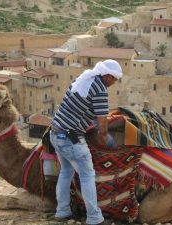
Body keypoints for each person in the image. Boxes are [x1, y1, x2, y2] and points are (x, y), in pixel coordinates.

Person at [49, 59, 123, 225]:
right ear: (109, 77)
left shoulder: (83, 79)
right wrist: (106, 142)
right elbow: (103, 125)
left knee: (66, 172)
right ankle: (94, 218)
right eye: (115, 80)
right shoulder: (100, 89)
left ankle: (62, 212)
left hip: (55, 133)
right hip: (70, 138)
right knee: (87, 175)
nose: (114, 83)